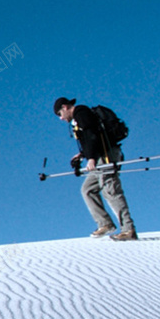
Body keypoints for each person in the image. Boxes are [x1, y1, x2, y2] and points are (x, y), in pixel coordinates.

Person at [53, 97, 137, 241]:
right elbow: (92, 138)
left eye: (60, 113)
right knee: (88, 190)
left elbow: (92, 135)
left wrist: (90, 158)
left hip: (106, 155)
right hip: (99, 157)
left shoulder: (81, 112)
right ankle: (105, 224)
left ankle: (128, 230)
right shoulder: (79, 118)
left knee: (110, 190)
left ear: (65, 107)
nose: (61, 118)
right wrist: (82, 155)